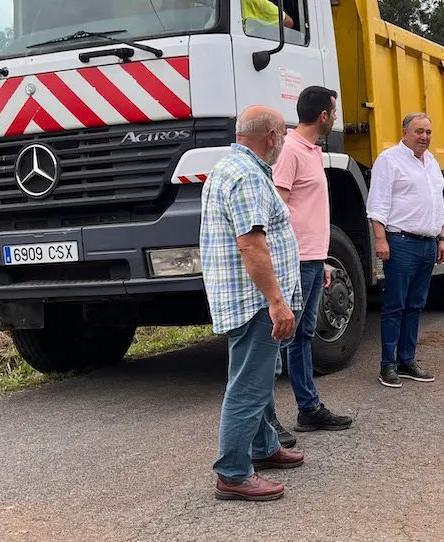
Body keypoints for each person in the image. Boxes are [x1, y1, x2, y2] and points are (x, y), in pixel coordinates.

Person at [200, 104, 305, 501]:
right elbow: (251, 244)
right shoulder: (247, 176)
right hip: (255, 300)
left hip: (247, 297)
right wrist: (277, 301)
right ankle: (232, 472)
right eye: (282, 136)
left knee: (257, 375)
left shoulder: (230, 167)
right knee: (248, 384)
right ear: (272, 137)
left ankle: (262, 448)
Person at [270, 86, 353, 444]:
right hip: (296, 259)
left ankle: (308, 408)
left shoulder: (312, 152)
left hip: (312, 258)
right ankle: (266, 418)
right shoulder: (290, 151)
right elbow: (278, 206)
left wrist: (320, 260)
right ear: (323, 115)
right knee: (279, 339)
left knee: (302, 335)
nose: (334, 117)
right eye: (333, 112)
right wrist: (294, 256)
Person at [366, 112, 444, 388]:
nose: (424, 137)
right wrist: (380, 239)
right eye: (418, 131)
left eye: (428, 132)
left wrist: (441, 237)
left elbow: (437, 202)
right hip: (401, 243)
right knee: (394, 306)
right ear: (404, 133)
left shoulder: (432, 163)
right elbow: (377, 204)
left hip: (427, 244)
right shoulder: (389, 160)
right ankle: (387, 365)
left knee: (416, 305)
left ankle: (407, 360)